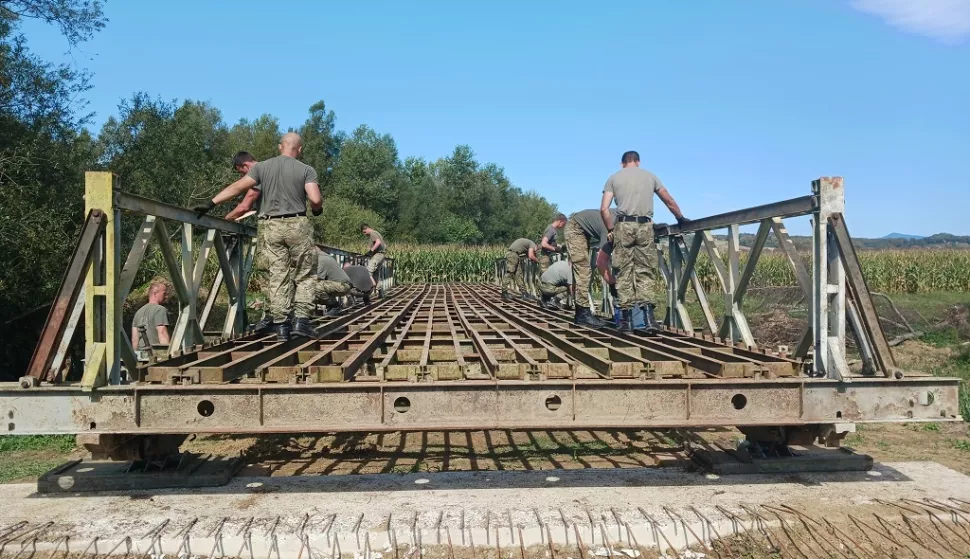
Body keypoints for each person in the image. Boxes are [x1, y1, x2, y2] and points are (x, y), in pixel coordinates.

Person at [194, 133, 323, 341]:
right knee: (304, 274)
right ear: (299, 150)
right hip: (297, 224)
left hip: (270, 225)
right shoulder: (306, 169)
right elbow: (315, 199)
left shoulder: (262, 168)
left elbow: (238, 188)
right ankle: (301, 322)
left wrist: (211, 203)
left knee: (277, 275)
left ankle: (280, 324)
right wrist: (317, 209)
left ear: (280, 146)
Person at [600, 150, 688, 333]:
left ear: (622, 163)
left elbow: (604, 209)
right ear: (638, 162)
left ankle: (626, 323)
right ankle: (648, 321)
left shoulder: (613, 178)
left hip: (623, 227)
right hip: (645, 226)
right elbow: (668, 200)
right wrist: (680, 218)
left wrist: (611, 229)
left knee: (623, 272)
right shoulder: (650, 176)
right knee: (645, 271)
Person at [564, 209, 616, 328]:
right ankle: (583, 314)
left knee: (582, 270)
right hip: (575, 228)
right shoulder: (610, 228)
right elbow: (601, 262)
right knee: (583, 270)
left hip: (582, 229)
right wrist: (612, 283)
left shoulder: (627, 219)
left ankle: (580, 314)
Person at [131, 281, 170, 352]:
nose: (166, 297)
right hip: (155, 355)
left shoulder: (138, 312)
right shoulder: (160, 310)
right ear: (155, 294)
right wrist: (166, 354)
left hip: (142, 356)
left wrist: (135, 357)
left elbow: (134, 339)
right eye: (164, 294)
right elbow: (162, 332)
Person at [224, 152, 261, 222]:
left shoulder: (258, 175)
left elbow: (244, 207)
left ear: (246, 166)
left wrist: (226, 219)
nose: (242, 176)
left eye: (242, 172)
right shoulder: (269, 169)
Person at [315, 249, 353, 314]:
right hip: (342, 285)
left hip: (342, 285)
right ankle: (332, 306)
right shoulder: (326, 257)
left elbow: (318, 278)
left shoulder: (321, 259)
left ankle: (334, 306)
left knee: (315, 286)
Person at [360, 224, 387, 288]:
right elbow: (385, 245)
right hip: (382, 255)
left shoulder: (372, 233)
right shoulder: (377, 233)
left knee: (368, 270)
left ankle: (372, 285)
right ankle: (380, 291)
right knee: (376, 273)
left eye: (364, 232)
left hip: (378, 255)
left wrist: (371, 251)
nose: (365, 234)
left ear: (367, 228)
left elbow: (378, 242)